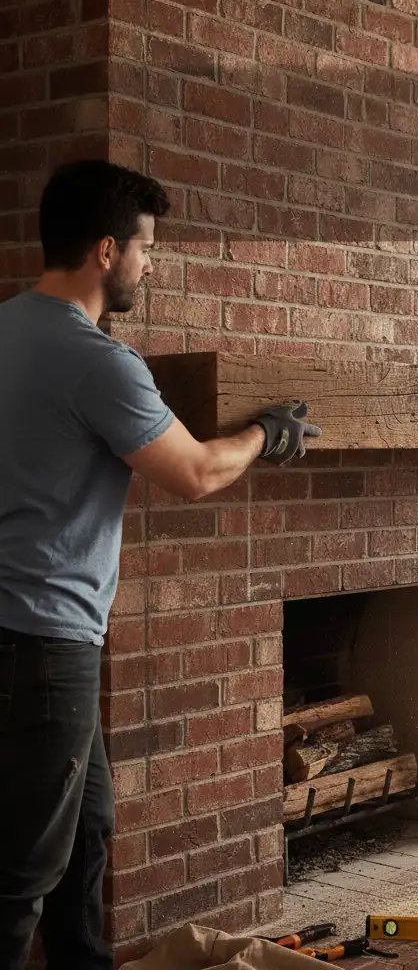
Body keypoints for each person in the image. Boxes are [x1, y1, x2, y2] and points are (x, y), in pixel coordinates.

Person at [0, 160, 322, 969]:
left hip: (22, 636)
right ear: (107, 251)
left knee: (89, 826)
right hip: (45, 642)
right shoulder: (97, 360)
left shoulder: (9, 331)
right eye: (146, 248)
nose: (150, 264)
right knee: (23, 875)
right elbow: (196, 472)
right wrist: (267, 435)